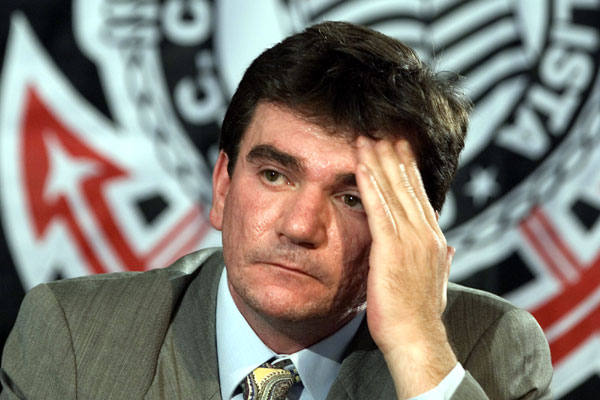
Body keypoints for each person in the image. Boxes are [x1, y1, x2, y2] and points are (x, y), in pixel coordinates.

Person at [0, 21, 552, 399]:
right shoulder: (76, 337)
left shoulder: (491, 350)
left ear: (415, 231)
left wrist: (416, 343)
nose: (299, 226)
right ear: (223, 187)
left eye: (353, 198)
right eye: (274, 175)